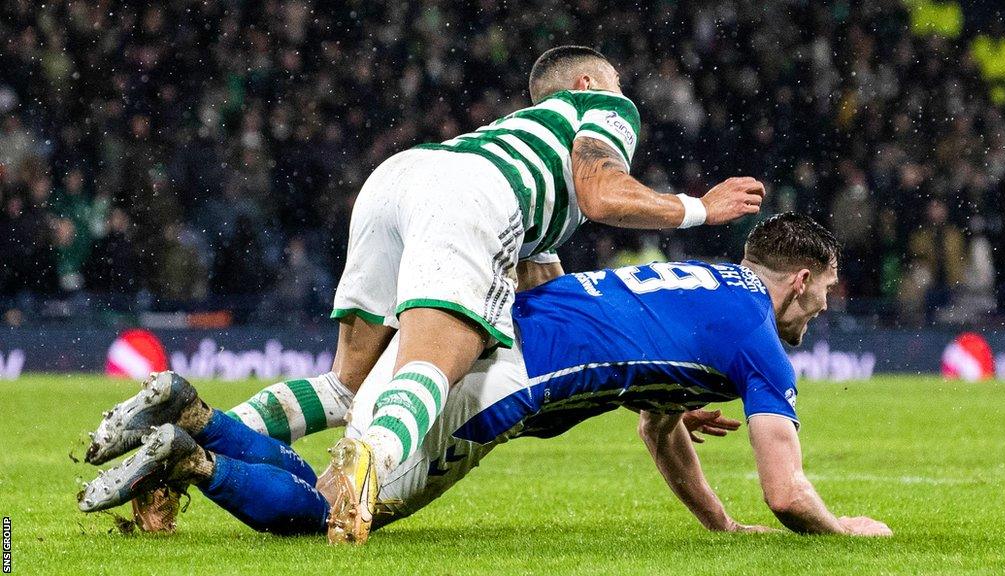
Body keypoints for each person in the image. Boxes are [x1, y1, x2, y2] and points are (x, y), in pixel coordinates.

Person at [86, 45, 767, 542]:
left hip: (401, 178)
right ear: (586, 85)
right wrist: (698, 209)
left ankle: (190, 421)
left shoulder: (526, 167)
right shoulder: (599, 109)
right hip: (467, 198)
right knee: (429, 373)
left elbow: (562, 327)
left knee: (345, 387)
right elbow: (603, 189)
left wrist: (658, 404)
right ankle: (363, 477)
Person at [79, 214, 892, 541]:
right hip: (497, 383)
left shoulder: (705, 283)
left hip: (459, 327)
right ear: (799, 277)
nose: (822, 308)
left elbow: (656, 423)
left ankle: (192, 412)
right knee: (335, 515)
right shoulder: (760, 340)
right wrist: (842, 527)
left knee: (338, 462)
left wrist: (718, 526)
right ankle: (194, 459)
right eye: (822, 291)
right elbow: (786, 493)